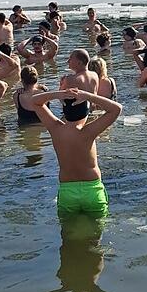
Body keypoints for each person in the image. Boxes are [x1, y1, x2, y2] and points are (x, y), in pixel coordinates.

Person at [29, 88, 122, 217]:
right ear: (86, 112)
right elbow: (116, 108)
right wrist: (88, 95)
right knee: (97, 227)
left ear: (64, 111)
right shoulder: (89, 131)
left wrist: (59, 94)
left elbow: (34, 101)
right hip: (92, 190)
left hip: (68, 191)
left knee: (67, 228)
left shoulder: (56, 129)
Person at [60, 49, 100, 120]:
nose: (68, 61)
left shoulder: (70, 79)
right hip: (92, 114)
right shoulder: (94, 75)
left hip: (77, 117)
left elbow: (61, 98)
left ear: (79, 62)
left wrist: (61, 84)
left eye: (70, 59)